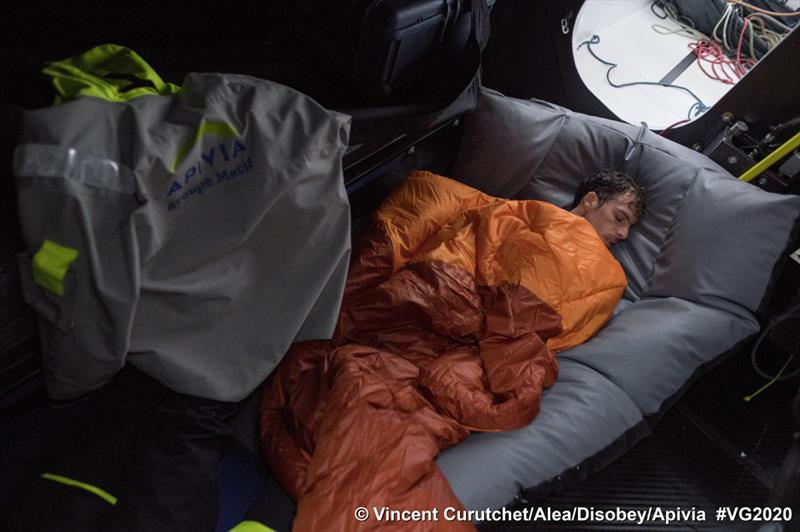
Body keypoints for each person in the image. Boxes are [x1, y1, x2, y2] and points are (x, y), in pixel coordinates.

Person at [570, 169, 646, 247]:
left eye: (630, 227)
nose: (624, 234)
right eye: (619, 218)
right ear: (590, 201)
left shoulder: (604, 258)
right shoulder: (556, 223)